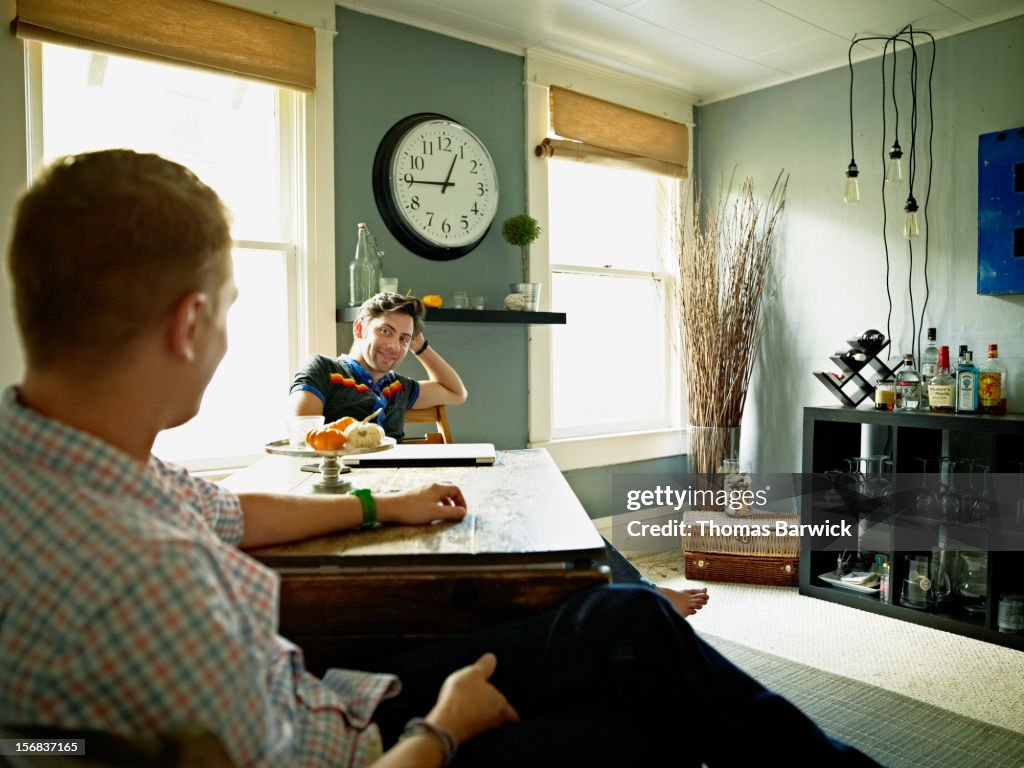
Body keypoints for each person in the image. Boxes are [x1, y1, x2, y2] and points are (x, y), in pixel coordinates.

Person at [0, 150, 879, 768]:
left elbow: (236, 511)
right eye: (226, 311)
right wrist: (442, 731)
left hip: (328, 701)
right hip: (369, 742)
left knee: (628, 626)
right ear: (189, 324)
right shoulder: (145, 579)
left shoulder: (68, 463)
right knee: (641, 727)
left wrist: (387, 506)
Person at [289, 292, 466, 440]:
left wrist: (420, 347)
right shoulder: (322, 370)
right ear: (359, 328)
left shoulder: (397, 388)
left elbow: (457, 393)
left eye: (403, 338)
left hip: (398, 479)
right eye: (385, 331)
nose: (394, 346)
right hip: (341, 480)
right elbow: (304, 440)